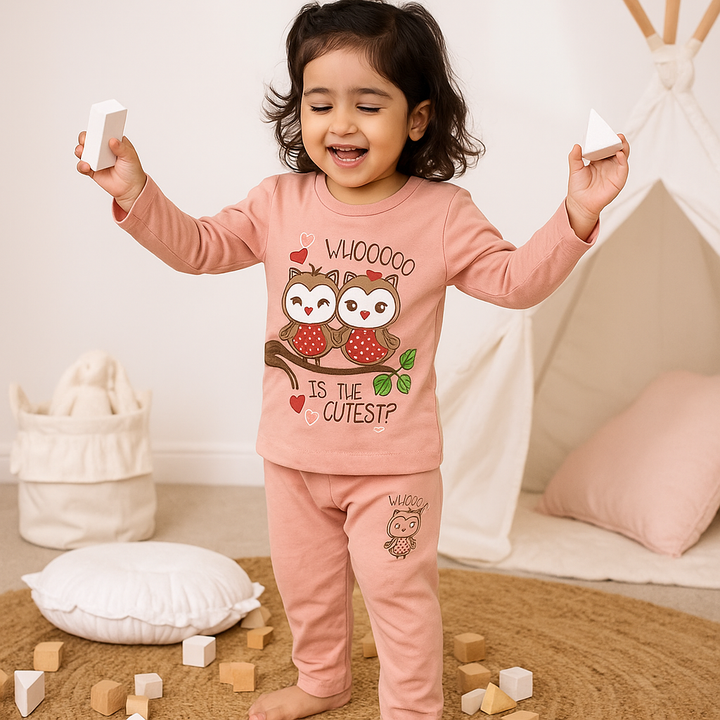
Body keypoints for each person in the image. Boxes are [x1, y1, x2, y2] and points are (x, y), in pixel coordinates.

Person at [75, 2, 629, 718]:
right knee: (306, 586)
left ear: (417, 119)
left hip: (393, 465)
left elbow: (514, 282)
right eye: (320, 104)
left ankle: (412, 708)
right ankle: (322, 680)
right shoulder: (277, 202)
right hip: (293, 455)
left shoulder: (443, 214)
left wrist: (577, 213)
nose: (342, 124)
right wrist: (136, 192)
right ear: (298, 111)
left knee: (397, 591)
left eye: (368, 105)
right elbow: (200, 248)